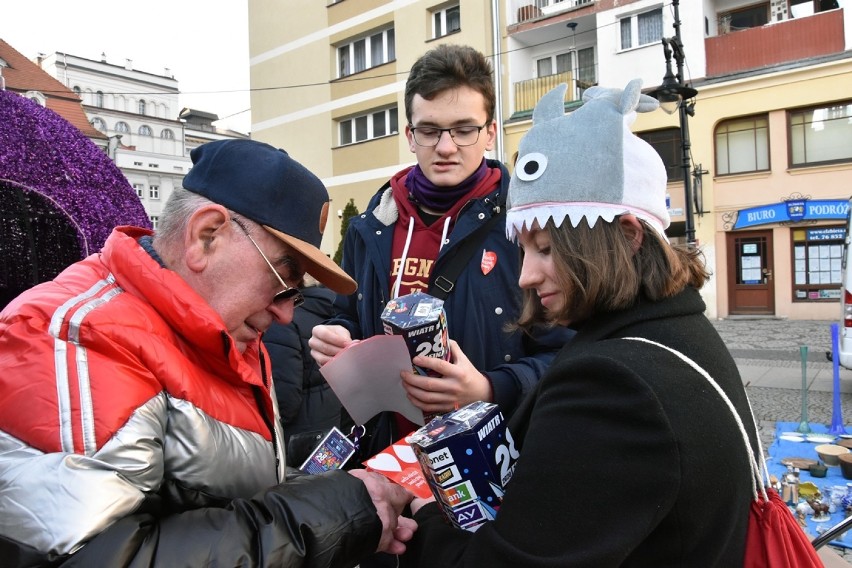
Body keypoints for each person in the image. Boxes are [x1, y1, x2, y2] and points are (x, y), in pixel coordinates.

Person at [0, 139, 416, 566]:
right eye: (284, 275)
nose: (287, 312)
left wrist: (349, 500)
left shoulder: (224, 335)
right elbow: (91, 558)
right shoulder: (75, 337)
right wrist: (333, 512)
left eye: (297, 291)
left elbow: (228, 495)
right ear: (206, 236)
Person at [401, 80, 762, 566]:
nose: (526, 275)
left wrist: (424, 520)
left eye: (546, 248)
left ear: (628, 235)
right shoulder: (673, 329)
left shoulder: (616, 385)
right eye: (523, 250)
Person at [309, 44, 571, 460]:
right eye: (430, 131)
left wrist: (489, 388)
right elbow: (347, 314)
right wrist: (338, 338)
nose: (446, 147)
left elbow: (570, 352)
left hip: (491, 461)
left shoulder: (529, 225)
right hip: (388, 455)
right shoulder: (371, 225)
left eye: (464, 129)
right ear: (410, 136)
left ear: (490, 132)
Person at [263, 274, 342, 464]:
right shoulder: (331, 309)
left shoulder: (282, 323)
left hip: (301, 443)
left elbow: (284, 402)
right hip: (331, 431)